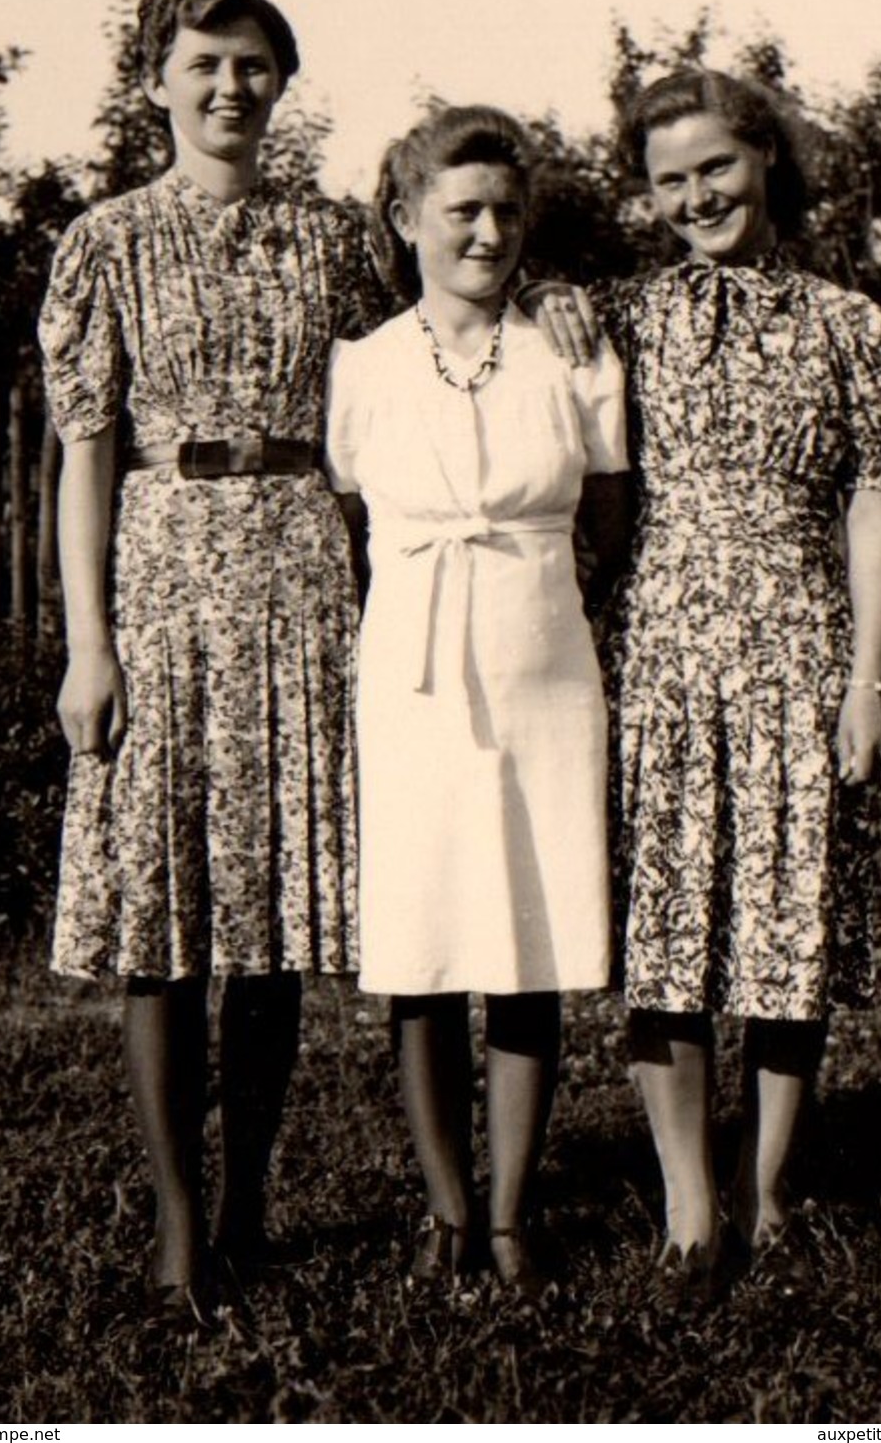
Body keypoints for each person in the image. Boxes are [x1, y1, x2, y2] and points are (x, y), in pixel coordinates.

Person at [39, 0, 390, 1323]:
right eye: (206, 64)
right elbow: (81, 459)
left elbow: (415, 377)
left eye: (254, 65)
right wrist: (90, 644)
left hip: (303, 566)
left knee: (273, 915)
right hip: (160, 575)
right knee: (161, 911)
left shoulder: (333, 240)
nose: (232, 87)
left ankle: (253, 1195)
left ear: (279, 84)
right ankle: (182, 1226)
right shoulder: (105, 242)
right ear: (156, 82)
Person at [589, 69, 881, 1300]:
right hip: (658, 655)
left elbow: (874, 502)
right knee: (661, 933)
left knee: (788, 929)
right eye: (665, 181)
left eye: (713, 168)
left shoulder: (849, 325)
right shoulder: (617, 316)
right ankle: (686, 1208)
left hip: (795, 650)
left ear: (766, 158)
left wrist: (868, 678)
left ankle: (768, 1192)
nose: (692, 197)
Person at [325, 105, 631, 1294]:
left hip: (542, 658)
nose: (487, 231)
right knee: (421, 939)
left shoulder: (570, 348)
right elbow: (353, 518)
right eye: (460, 210)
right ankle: (445, 1210)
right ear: (406, 222)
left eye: (506, 209)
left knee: (527, 935)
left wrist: (550, 602)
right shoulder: (361, 367)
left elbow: (609, 512)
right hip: (409, 665)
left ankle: (509, 1215)